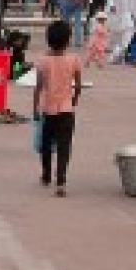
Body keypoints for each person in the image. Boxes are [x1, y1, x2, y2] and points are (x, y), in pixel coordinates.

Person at [32, 20, 83, 198]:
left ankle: (46, 175)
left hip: (48, 110)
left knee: (46, 146)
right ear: (68, 40)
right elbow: (78, 85)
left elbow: (38, 87)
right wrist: (74, 100)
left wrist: (35, 110)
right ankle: (61, 181)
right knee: (64, 146)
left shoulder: (42, 61)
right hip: (67, 111)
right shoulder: (74, 59)